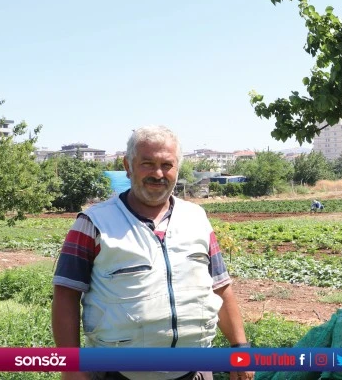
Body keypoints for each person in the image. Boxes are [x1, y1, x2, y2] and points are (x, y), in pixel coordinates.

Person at [52, 125, 254, 380]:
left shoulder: (196, 218)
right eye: (147, 163)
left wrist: (240, 350)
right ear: (128, 165)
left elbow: (220, 287)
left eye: (167, 165)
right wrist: (71, 367)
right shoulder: (94, 223)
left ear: (177, 169)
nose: (158, 173)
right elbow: (65, 294)